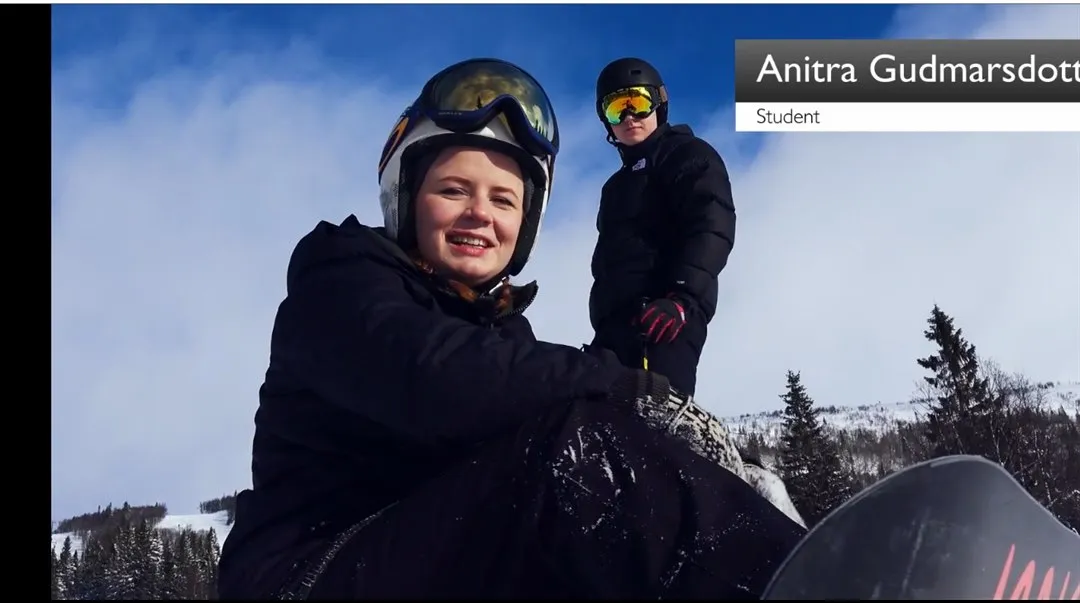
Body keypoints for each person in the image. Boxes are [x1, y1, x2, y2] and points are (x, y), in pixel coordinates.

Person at [217, 57, 805, 601]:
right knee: (582, 446)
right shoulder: (342, 282)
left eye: (504, 200)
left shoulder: (501, 334)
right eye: (453, 190)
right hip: (310, 572)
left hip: (433, 558)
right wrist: (634, 390)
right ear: (407, 198)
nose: (480, 213)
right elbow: (433, 377)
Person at [587, 57, 737, 398]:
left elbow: (712, 224)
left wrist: (683, 297)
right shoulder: (615, 186)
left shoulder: (688, 155)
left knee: (655, 427)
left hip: (664, 318)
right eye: (615, 110)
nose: (629, 118)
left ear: (659, 103)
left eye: (637, 103)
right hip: (614, 329)